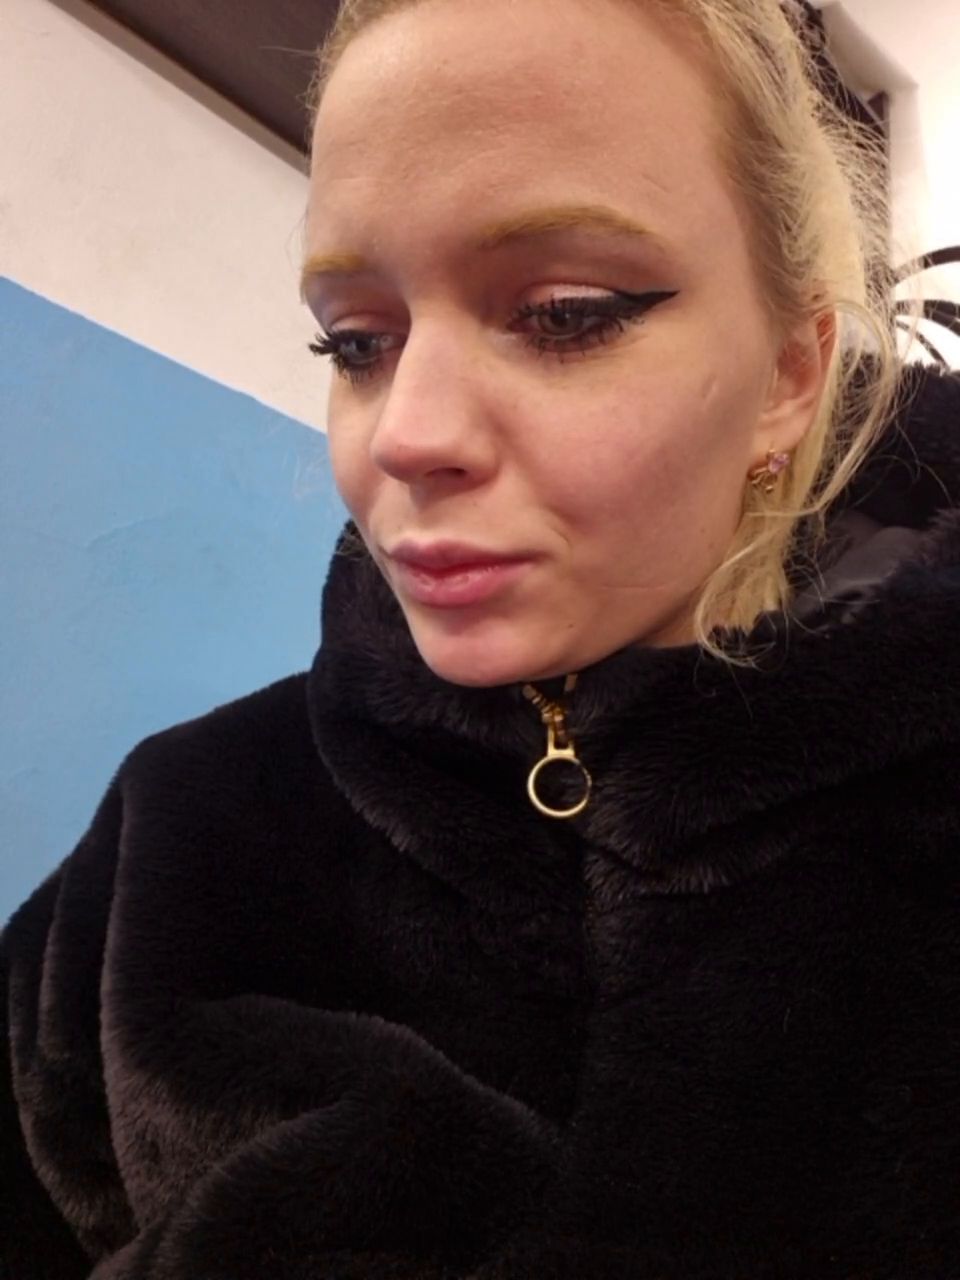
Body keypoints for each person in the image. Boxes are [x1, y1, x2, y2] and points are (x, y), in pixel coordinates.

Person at [3, 0, 959, 1275]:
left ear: (790, 369)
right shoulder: (178, 836)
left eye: (564, 312)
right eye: (356, 340)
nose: (407, 433)